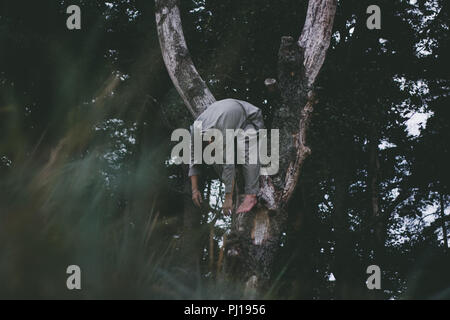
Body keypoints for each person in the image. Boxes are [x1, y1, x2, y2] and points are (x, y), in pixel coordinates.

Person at [189, 98, 264, 214]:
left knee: (248, 149)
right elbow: (194, 162)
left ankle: (251, 196)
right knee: (220, 160)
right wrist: (194, 190)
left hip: (250, 117)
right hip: (224, 112)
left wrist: (228, 198)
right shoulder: (195, 132)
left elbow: (228, 165)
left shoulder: (220, 133)